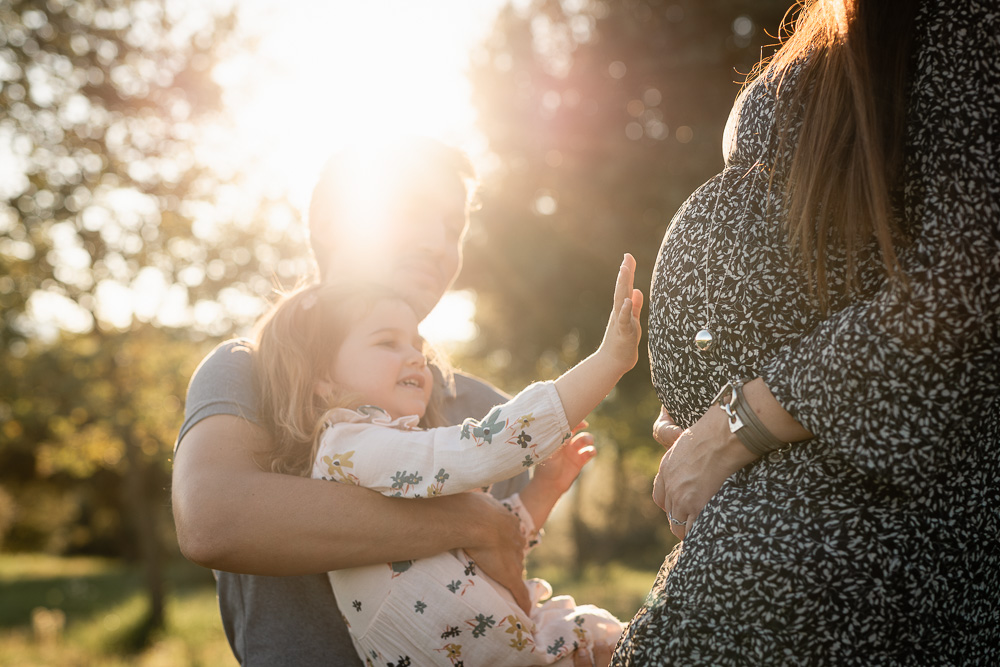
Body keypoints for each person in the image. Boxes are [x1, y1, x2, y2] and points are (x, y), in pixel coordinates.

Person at [613, 0, 998, 664]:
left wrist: (743, 420)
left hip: (845, 531)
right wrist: (705, 409)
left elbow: (967, 281)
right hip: (781, 499)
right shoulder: (838, 22)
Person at [172, 138, 611, 666]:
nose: (436, 242)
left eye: (453, 228)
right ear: (333, 222)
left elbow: (496, 594)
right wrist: (475, 519)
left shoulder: (486, 408)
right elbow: (214, 521)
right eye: (410, 211)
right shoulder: (252, 369)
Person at [249, 251, 641, 665]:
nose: (418, 357)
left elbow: (487, 543)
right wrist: (607, 363)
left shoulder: (389, 458)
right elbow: (480, 448)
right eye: (387, 342)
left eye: (417, 345)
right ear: (322, 378)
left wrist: (544, 488)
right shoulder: (349, 448)